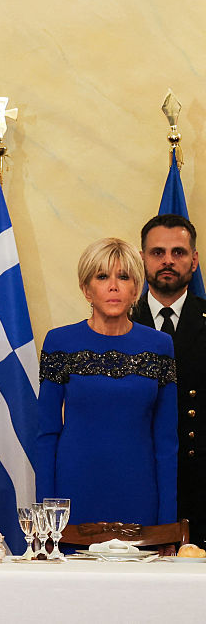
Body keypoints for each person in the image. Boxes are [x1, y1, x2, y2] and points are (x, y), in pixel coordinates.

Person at [36, 238, 176, 527]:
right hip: (73, 493)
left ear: (136, 288)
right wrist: (47, 515)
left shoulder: (161, 346)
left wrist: (166, 523)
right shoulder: (59, 342)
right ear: (86, 289)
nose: (113, 286)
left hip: (139, 493)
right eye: (102, 276)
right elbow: (46, 435)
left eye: (123, 277)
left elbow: (166, 442)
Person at [133, 214, 206, 544]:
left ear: (194, 260)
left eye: (178, 252)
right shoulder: (118, 322)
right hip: (136, 478)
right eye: (157, 252)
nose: (167, 261)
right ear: (142, 258)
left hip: (200, 485)